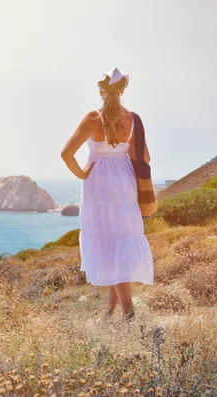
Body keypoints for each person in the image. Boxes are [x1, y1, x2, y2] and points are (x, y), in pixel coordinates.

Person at [60, 67, 154, 322]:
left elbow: (66, 154)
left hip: (98, 182)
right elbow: (144, 157)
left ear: (101, 91)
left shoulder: (93, 117)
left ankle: (129, 312)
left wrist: (82, 173)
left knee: (108, 243)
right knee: (119, 240)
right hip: (124, 183)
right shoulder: (133, 120)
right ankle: (110, 312)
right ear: (123, 91)